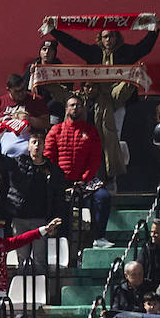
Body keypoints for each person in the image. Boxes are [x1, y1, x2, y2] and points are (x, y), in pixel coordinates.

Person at [45, 94, 112, 249]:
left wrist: (84, 179)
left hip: (84, 181)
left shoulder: (91, 131)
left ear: (83, 109)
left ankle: (99, 237)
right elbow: (48, 157)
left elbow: (95, 159)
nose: (75, 108)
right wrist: (58, 178)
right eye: (72, 105)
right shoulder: (56, 130)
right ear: (66, 108)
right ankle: (60, 244)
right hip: (61, 183)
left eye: (78, 105)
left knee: (103, 197)